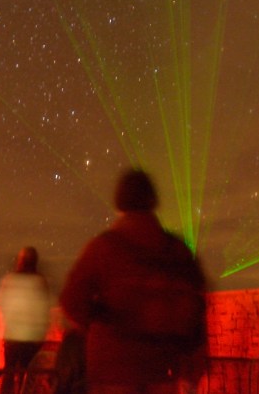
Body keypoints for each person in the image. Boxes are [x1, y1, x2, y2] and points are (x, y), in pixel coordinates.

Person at [60, 169, 208, 394]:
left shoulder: (104, 248)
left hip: (112, 370)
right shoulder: (176, 249)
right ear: (152, 200)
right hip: (162, 368)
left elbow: (71, 300)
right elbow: (196, 301)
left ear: (119, 202)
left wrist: (98, 321)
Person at [0, 246, 51, 394]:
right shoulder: (40, 282)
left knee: (8, 373)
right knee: (27, 378)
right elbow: (45, 308)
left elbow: (2, 304)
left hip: (13, 336)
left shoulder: (11, 279)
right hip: (32, 339)